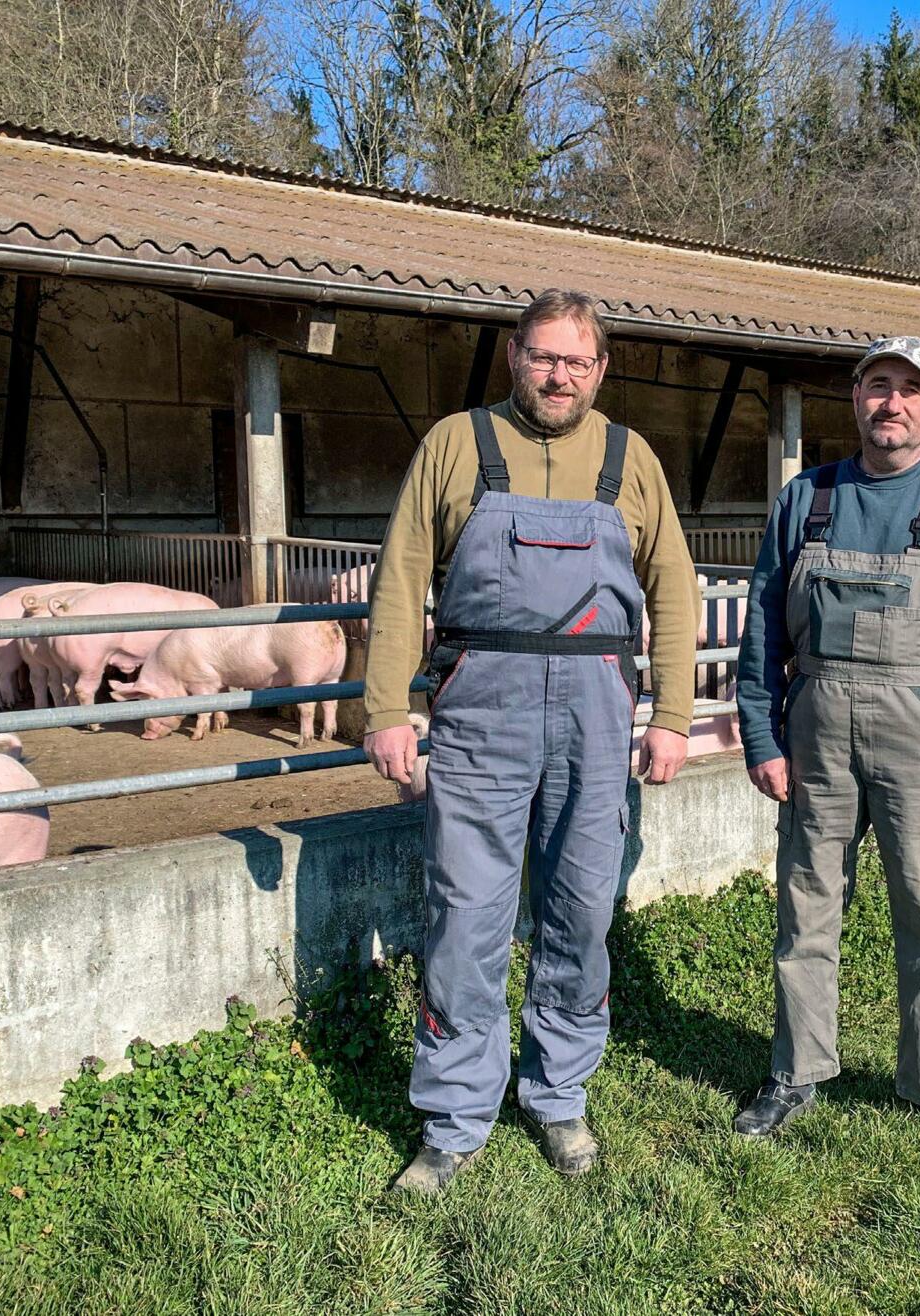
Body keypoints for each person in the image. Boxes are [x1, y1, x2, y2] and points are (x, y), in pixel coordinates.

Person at [363, 289, 699, 1192]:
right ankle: (454, 1116)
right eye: (543, 357)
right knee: (465, 915)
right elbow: (399, 578)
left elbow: (673, 587)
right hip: (481, 709)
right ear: (514, 357)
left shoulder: (630, 461)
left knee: (581, 911)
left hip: (596, 711)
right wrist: (386, 708)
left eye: (576, 362)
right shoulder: (455, 443)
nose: (559, 376)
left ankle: (558, 1097)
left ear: (600, 369)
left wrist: (670, 716)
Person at [734, 336, 920, 1141]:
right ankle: (795, 1073)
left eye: (910, 388)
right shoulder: (808, 497)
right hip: (814, 733)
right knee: (804, 908)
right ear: (856, 398)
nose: (891, 402)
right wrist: (762, 740)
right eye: (878, 385)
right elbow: (763, 628)